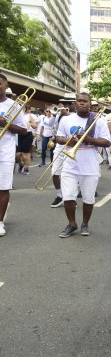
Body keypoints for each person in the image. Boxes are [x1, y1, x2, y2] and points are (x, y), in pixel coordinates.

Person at [56, 92, 111, 238]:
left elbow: (106, 141)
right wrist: (69, 141)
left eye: (85, 101)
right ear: (75, 103)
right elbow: (58, 137)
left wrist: (89, 139)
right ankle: (72, 223)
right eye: (79, 101)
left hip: (90, 165)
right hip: (70, 164)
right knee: (68, 196)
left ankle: (85, 223)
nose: (81, 103)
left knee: (88, 198)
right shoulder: (66, 120)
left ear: (90, 103)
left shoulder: (98, 120)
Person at [0, 73, 27, 236]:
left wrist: (6, 124)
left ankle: (0, 221)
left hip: (6, 148)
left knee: (3, 187)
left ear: (5, 85)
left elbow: (24, 130)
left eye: (0, 84)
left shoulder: (14, 105)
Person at [50, 104, 70, 208]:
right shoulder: (58, 116)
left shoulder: (75, 115)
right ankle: (59, 195)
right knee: (54, 172)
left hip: (71, 147)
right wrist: (54, 115)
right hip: (59, 147)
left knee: (69, 175)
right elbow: (50, 125)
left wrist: (67, 114)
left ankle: (70, 198)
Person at [16, 105, 36, 175]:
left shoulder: (29, 116)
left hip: (28, 135)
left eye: (24, 108)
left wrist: (29, 123)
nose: (23, 109)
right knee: (17, 154)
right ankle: (21, 164)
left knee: (25, 154)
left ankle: (26, 168)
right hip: (18, 134)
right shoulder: (17, 114)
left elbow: (35, 125)